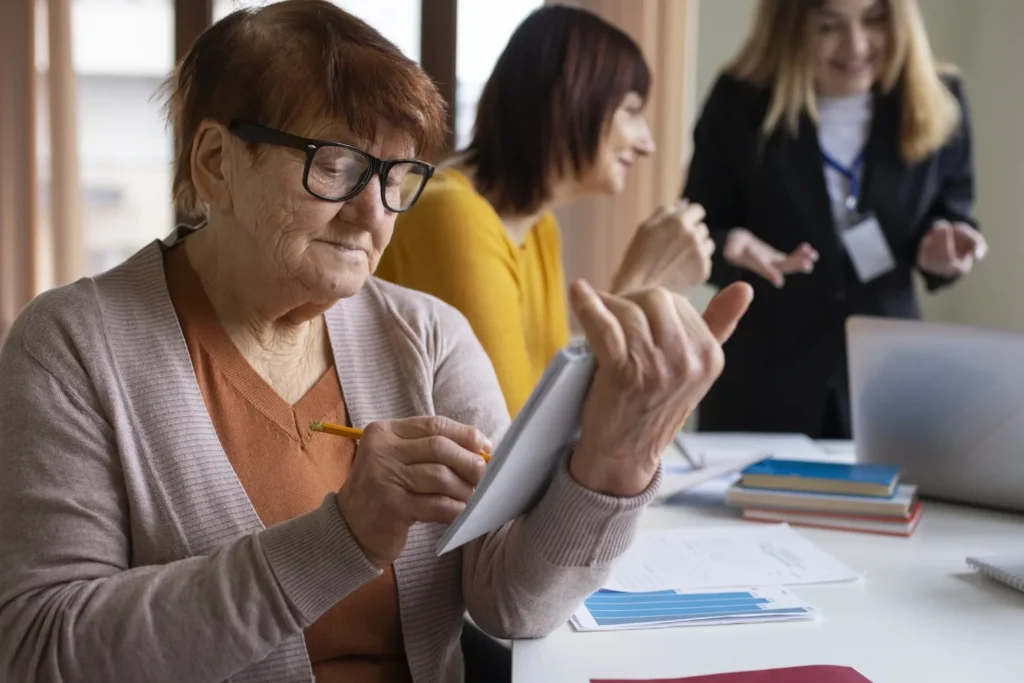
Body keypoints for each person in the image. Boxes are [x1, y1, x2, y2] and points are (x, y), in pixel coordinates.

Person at [0, 3, 753, 683]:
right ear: (215, 163)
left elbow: (510, 600)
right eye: (336, 164)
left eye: (397, 175)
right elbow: (39, 651)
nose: (374, 214)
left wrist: (614, 466)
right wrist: (341, 536)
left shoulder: (425, 336)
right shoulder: (72, 346)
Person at [375, 5, 715, 417]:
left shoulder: (537, 226)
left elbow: (553, 416)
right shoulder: (452, 214)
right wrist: (640, 285)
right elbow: (512, 437)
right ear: (570, 100)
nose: (647, 143)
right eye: (631, 111)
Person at [683, 0, 987, 439]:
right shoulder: (738, 103)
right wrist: (730, 243)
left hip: (888, 381)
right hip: (764, 380)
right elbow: (698, 225)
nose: (856, 46)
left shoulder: (943, 97)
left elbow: (952, 210)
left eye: (874, 20)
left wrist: (944, 245)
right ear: (788, 29)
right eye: (828, 27)